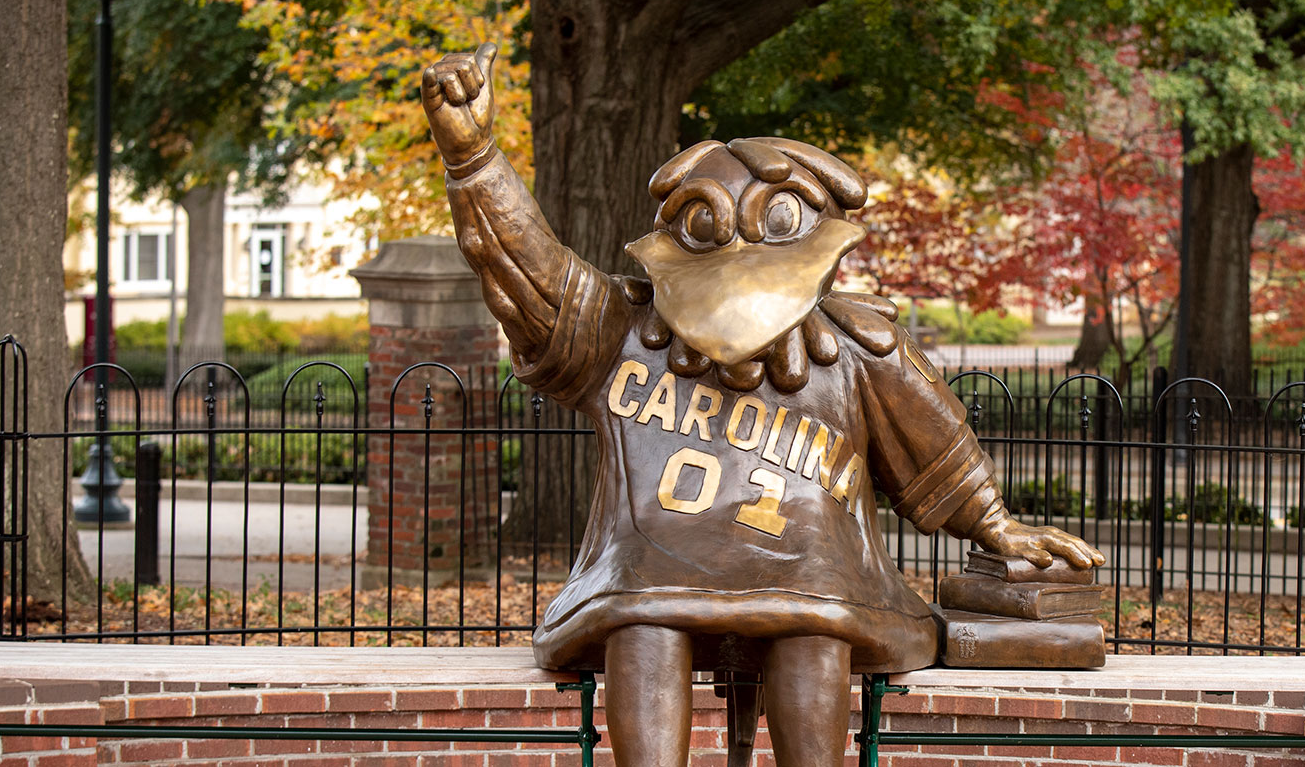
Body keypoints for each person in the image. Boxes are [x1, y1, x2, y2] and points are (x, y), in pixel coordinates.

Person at [423, 43, 1104, 767]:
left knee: (808, 622)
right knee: (645, 619)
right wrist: (474, 162)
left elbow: (936, 452)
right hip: (651, 574)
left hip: (813, 578)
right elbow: (527, 274)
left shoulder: (858, 350)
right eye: (710, 224)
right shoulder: (623, 332)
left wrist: (995, 523)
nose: (740, 248)